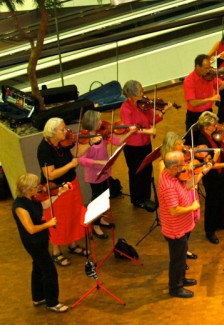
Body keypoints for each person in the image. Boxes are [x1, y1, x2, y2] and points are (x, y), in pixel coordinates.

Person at [12, 173, 69, 313]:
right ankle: (52, 302)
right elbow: (31, 229)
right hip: (33, 242)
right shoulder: (20, 207)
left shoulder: (32, 197)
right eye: (35, 186)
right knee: (49, 271)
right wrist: (48, 223)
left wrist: (59, 193)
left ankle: (38, 297)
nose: (39, 187)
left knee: (37, 267)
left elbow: (44, 205)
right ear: (27, 189)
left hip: (41, 240)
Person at [37, 118, 88, 267]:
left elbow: (72, 151)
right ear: (53, 132)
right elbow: (50, 175)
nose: (66, 131)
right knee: (57, 220)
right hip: (56, 188)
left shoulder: (62, 142)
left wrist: (89, 144)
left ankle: (72, 244)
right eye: (62, 129)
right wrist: (70, 165)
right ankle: (56, 251)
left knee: (73, 214)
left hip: (71, 183)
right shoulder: (44, 149)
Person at [77, 110, 136, 239]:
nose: (101, 122)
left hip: (105, 171)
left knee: (104, 197)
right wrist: (99, 162)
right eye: (98, 120)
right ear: (92, 123)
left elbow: (118, 142)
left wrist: (130, 131)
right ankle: (95, 225)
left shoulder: (102, 134)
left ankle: (101, 219)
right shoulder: (85, 141)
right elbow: (81, 160)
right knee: (97, 199)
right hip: (94, 174)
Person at [158, 151, 207, 299]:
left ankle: (181, 279)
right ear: (173, 167)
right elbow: (174, 210)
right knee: (177, 259)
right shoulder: (168, 185)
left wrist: (202, 173)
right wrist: (192, 207)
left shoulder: (173, 176)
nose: (185, 166)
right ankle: (175, 287)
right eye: (182, 164)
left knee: (182, 254)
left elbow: (186, 187)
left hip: (182, 227)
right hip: (175, 229)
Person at [120, 80, 171, 211]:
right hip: (133, 146)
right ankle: (138, 200)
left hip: (145, 143)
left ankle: (146, 197)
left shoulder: (143, 104)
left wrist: (163, 112)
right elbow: (130, 128)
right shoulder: (126, 108)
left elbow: (151, 120)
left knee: (147, 170)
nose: (143, 93)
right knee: (137, 172)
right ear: (132, 94)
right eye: (140, 91)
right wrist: (149, 131)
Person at [194, 111, 224, 244]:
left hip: (220, 171)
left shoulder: (214, 135)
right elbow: (209, 164)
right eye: (214, 125)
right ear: (207, 127)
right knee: (212, 201)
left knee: (221, 196)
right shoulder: (202, 141)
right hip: (210, 174)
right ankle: (210, 230)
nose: (217, 127)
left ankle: (220, 222)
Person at [158, 132, 199, 259]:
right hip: (177, 198)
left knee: (189, 224)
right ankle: (181, 256)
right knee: (179, 241)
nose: (183, 145)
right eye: (179, 144)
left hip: (186, 192)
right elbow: (174, 180)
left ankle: (184, 251)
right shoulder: (166, 165)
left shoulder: (180, 159)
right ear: (172, 145)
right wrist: (187, 170)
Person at [184, 54, 224, 133]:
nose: (209, 70)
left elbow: (221, 86)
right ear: (198, 67)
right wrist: (211, 99)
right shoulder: (189, 81)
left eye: (209, 67)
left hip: (208, 112)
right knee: (194, 139)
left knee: (211, 136)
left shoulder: (211, 75)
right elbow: (193, 103)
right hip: (195, 116)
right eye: (206, 68)